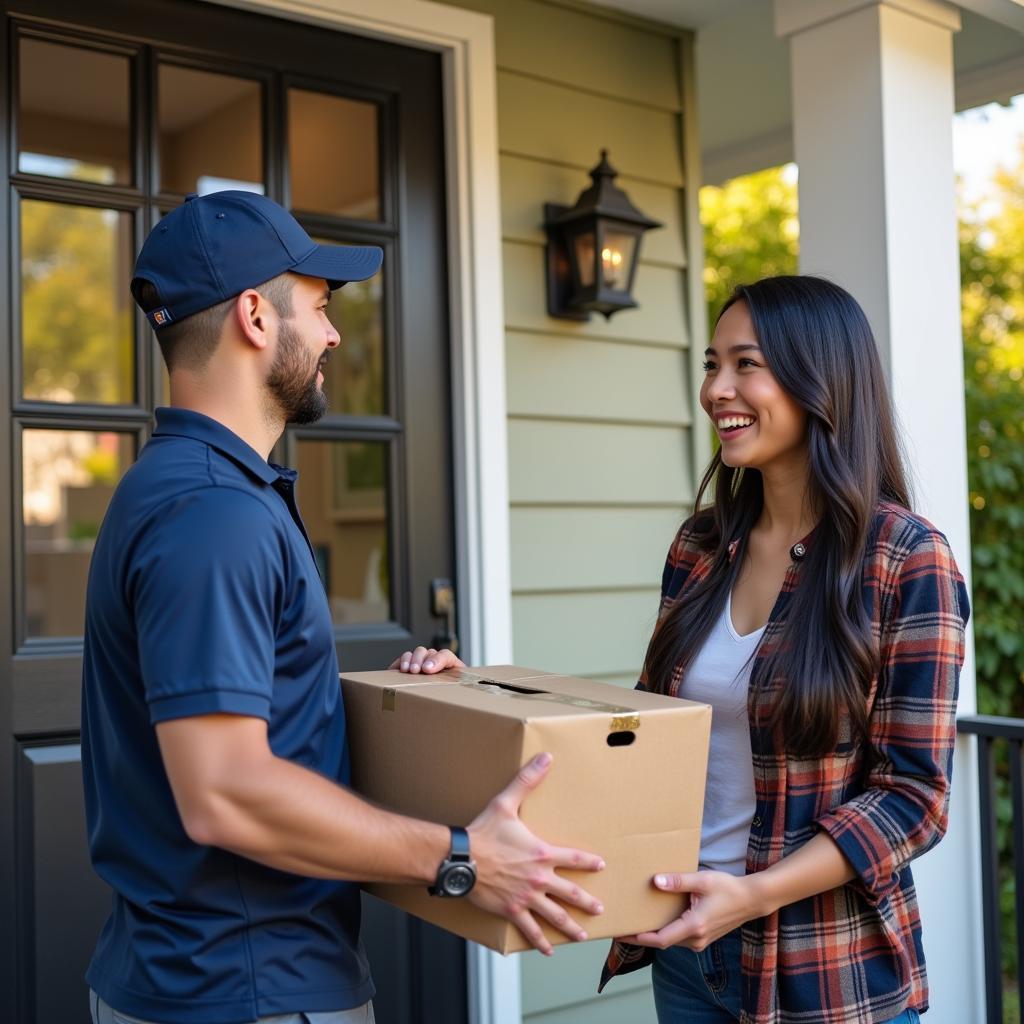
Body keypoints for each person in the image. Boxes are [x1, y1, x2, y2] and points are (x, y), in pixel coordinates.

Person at [80, 190, 604, 1024]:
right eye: (319, 307)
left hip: (206, 977)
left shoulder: (181, 491)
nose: (330, 334)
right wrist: (461, 858)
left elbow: (246, 723)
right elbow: (226, 793)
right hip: (245, 992)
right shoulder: (213, 514)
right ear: (255, 315)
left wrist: (406, 704)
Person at [593, 275, 969, 1023]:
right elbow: (642, 736)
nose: (715, 389)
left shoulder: (904, 557)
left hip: (829, 975)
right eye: (710, 364)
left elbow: (914, 799)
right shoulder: (700, 547)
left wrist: (749, 898)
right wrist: (469, 690)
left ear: (819, 381)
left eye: (745, 364)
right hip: (687, 955)